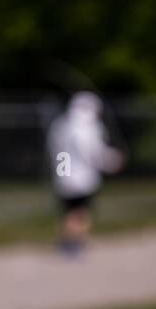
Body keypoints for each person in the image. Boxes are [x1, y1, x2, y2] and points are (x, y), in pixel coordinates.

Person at [47, 91, 124, 255]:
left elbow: (58, 151)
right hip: (83, 179)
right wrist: (111, 162)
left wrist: (64, 174)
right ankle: (75, 244)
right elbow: (92, 153)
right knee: (81, 212)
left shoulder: (61, 124)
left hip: (65, 176)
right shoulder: (89, 128)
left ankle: (67, 243)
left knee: (68, 211)